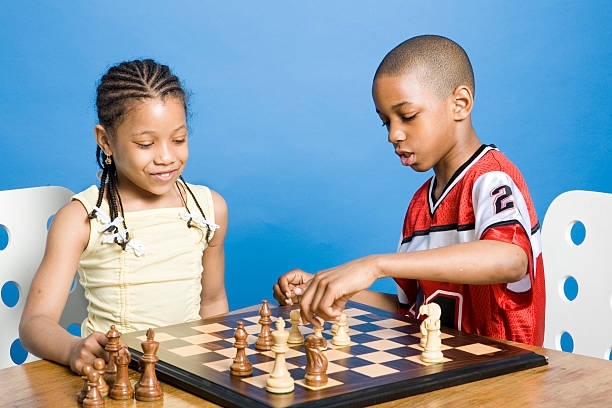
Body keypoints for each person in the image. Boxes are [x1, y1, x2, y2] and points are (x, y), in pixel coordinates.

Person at [273, 35, 545, 346]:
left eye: (408, 116)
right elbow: (410, 311)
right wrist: (330, 288)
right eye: (385, 122)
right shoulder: (420, 204)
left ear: (460, 104)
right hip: (444, 371)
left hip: (504, 377)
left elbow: (511, 260)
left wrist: (375, 265)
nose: (393, 134)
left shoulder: (491, 178)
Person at [19, 59, 229, 374]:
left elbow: (212, 304)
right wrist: (73, 348)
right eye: (145, 144)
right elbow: (35, 323)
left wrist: (219, 371)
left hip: (187, 375)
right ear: (106, 141)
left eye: (179, 139)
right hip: (115, 377)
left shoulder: (208, 209)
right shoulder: (82, 219)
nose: (166, 157)